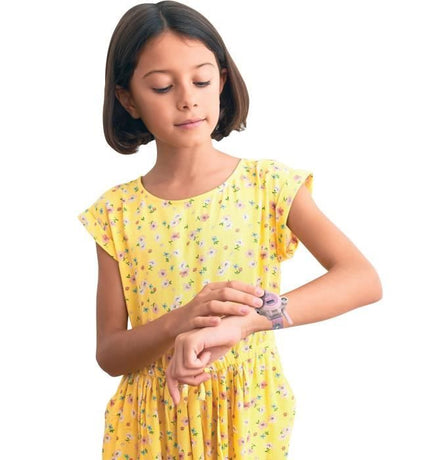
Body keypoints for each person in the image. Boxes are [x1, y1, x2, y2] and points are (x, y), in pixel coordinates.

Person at [77, 1, 383, 458]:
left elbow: (362, 279)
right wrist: (180, 321)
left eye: (201, 81)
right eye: (162, 87)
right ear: (128, 99)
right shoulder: (116, 213)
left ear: (221, 80)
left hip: (245, 418)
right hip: (149, 429)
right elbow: (110, 354)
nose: (187, 98)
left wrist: (250, 322)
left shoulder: (268, 185)